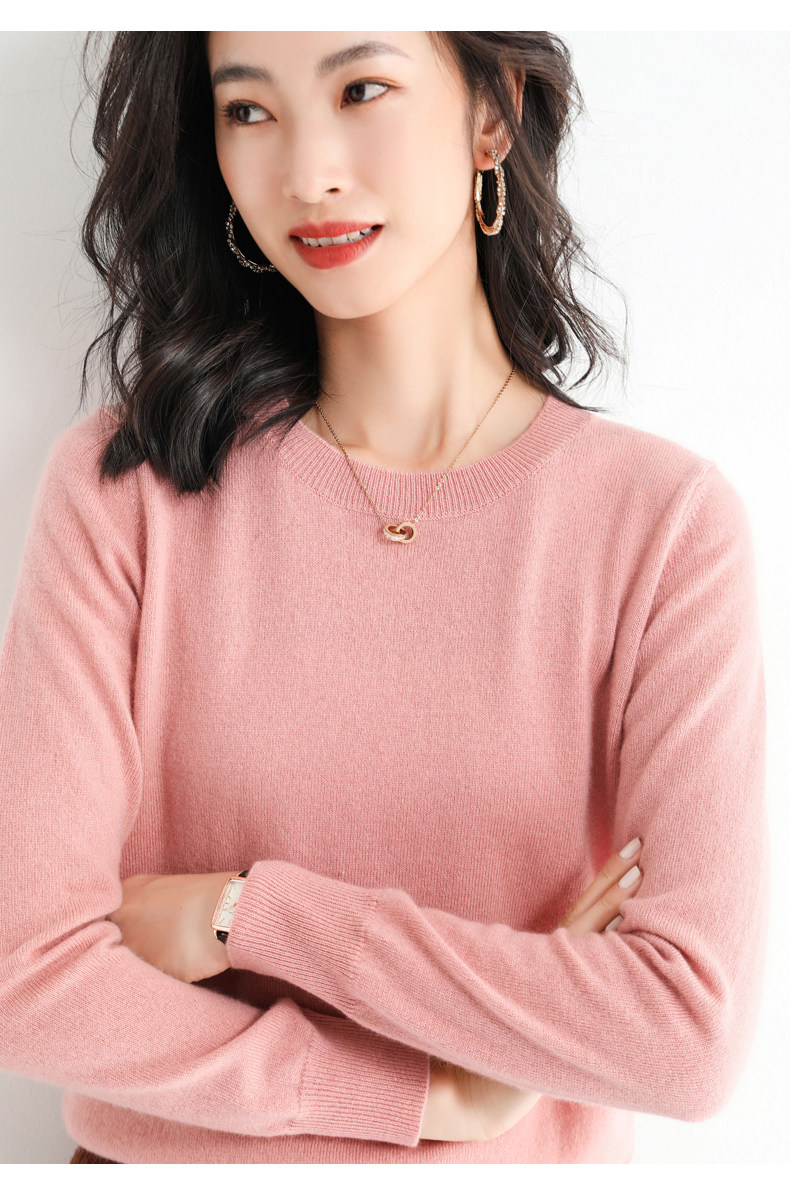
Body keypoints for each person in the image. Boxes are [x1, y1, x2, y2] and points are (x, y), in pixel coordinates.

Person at [0, 31, 767, 1166]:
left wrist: (250, 914)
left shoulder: (663, 528)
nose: (306, 170)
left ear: (492, 115)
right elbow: (26, 975)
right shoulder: (130, 486)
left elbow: (682, 1037)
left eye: (362, 89)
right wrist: (413, 1096)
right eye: (248, 110)